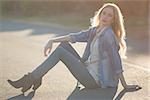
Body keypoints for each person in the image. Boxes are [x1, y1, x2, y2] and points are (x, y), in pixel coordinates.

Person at [8, 3, 141, 93]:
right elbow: (74, 37)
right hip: (87, 70)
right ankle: (36, 77)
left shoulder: (108, 36)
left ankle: (31, 78)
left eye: (109, 15)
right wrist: (52, 40)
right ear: (99, 15)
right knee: (63, 46)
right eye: (103, 13)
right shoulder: (95, 31)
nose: (105, 17)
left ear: (113, 20)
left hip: (95, 81)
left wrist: (125, 85)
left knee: (60, 52)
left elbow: (116, 61)